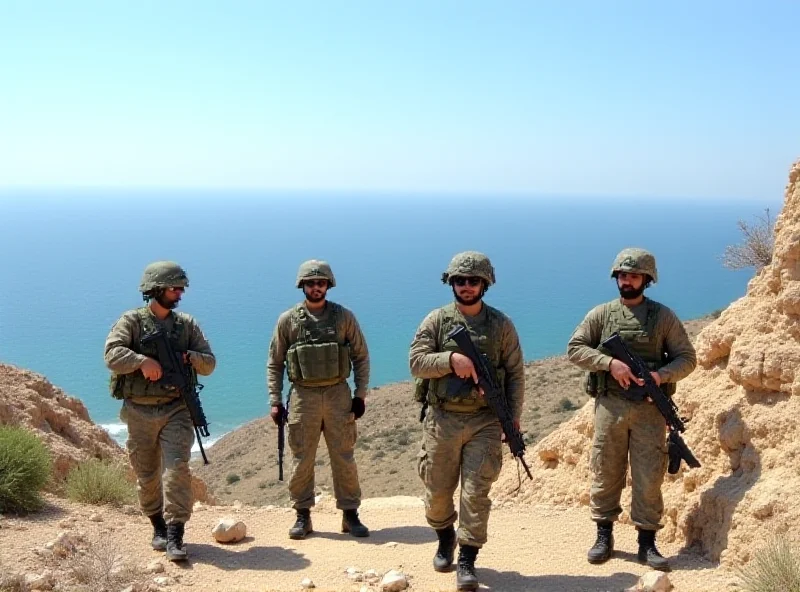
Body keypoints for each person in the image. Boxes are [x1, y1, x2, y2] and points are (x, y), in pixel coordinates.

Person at [566, 248, 697, 571]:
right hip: (610, 406)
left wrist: (659, 376)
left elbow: (687, 358)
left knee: (649, 475)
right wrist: (610, 364)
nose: (627, 281)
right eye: (623, 275)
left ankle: (647, 544)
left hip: (650, 410)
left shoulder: (662, 317)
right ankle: (603, 536)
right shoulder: (602, 315)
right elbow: (575, 349)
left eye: (634, 276)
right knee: (605, 469)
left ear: (647, 280)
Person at [409, 251, 525, 591]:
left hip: (484, 421)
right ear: (451, 283)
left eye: (473, 281)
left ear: (484, 284)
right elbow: (416, 362)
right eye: (460, 280)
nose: (466, 286)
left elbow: (516, 374)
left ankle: (468, 559)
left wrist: (512, 419)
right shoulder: (437, 321)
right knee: (438, 491)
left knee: (476, 493)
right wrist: (450, 359)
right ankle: (445, 537)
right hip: (442, 418)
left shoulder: (500, 325)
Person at [104, 261, 216, 562]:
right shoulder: (132, 321)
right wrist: (141, 362)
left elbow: (209, 363)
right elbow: (112, 354)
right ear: (155, 289)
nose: (179, 293)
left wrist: (189, 357)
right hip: (139, 411)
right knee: (146, 474)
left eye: (181, 288)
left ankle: (176, 534)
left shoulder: (187, 325)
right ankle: (157, 526)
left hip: (176, 409)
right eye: (174, 288)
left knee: (177, 468)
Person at [267, 259, 371, 539]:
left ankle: (350, 514)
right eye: (311, 283)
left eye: (321, 283)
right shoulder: (288, 320)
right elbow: (275, 362)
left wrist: (360, 394)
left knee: (344, 457)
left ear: (328, 285)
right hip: (303, 395)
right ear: (303, 285)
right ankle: (303, 515)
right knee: (302, 458)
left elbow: (361, 356)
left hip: (338, 394)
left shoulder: (344, 317)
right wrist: (275, 400)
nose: (316, 287)